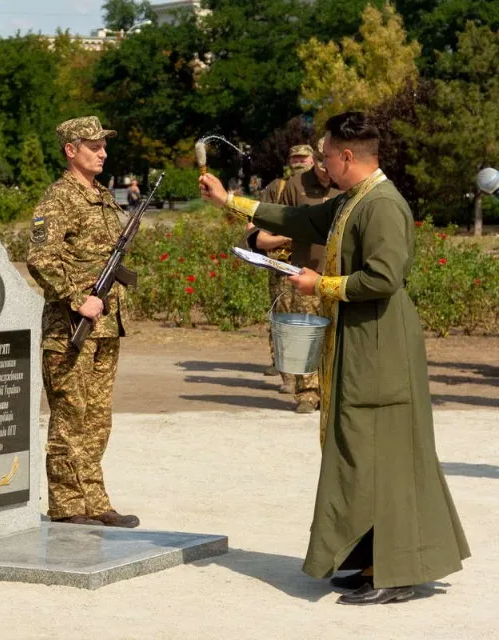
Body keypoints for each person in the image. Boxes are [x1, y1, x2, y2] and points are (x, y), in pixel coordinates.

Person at [199, 111, 469, 605]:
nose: (321, 164)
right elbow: (301, 219)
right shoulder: (353, 200)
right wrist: (229, 201)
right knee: (360, 456)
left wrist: (319, 284)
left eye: (325, 155)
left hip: (382, 350)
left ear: (347, 156)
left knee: (385, 458)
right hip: (361, 342)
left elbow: (384, 278)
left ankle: (398, 571)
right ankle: (372, 562)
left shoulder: (384, 205)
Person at [26, 116, 139, 528]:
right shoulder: (59, 199)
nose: (103, 153)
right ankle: (68, 505)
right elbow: (40, 258)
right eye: (93, 146)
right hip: (70, 330)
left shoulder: (103, 197)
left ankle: (95, 500)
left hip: (107, 325)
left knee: (96, 419)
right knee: (71, 417)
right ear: (71, 150)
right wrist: (78, 298)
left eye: (104, 146)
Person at [249, 142, 342, 413]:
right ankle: (307, 393)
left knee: (337, 335)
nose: (326, 171)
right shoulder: (295, 185)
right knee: (305, 333)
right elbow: (277, 222)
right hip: (305, 271)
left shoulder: (347, 185)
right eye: (322, 163)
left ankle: (333, 392)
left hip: (339, 273)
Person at [254, 145, 317, 382]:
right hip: (282, 262)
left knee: (309, 322)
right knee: (282, 317)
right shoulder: (277, 187)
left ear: (314, 160)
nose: (299, 161)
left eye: (304, 157)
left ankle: (306, 376)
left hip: (312, 264)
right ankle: (287, 373)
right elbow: (260, 221)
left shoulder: (320, 187)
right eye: (295, 158)